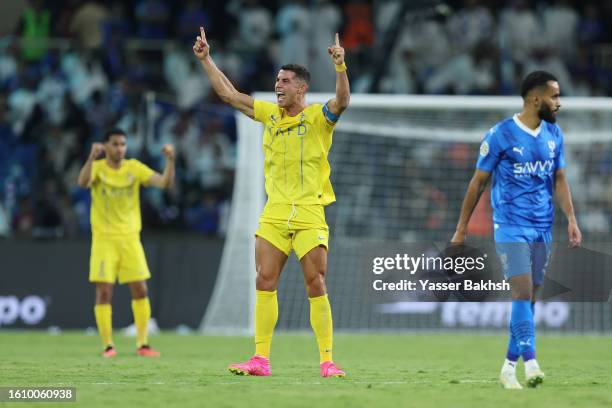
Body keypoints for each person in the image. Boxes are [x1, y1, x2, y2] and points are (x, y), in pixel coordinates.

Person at [193, 27, 350, 377]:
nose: (278, 85)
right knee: (264, 279)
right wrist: (206, 60)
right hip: (276, 212)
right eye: (277, 80)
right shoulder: (269, 115)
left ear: (302, 88)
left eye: (285, 81)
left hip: (310, 211)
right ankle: (260, 359)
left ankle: (327, 360)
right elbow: (231, 95)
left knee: (317, 283)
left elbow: (342, 102)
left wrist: (340, 67)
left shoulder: (319, 119)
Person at [451, 71, 581, 389]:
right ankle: (532, 364)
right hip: (510, 225)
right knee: (521, 292)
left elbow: (560, 180)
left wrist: (572, 219)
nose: (559, 103)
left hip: (542, 226)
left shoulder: (554, 135)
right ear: (536, 99)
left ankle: (509, 367)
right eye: (555, 96)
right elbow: (478, 182)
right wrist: (461, 230)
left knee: (530, 298)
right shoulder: (500, 135)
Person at [77, 128, 175, 358]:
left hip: (130, 238)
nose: (120, 148)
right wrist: (91, 157)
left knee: (141, 289)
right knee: (104, 292)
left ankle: (143, 344)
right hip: (104, 240)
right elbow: (82, 183)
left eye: (123, 144)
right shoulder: (98, 169)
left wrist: (170, 160)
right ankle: (108, 346)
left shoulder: (134, 168)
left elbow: (164, 183)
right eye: (115, 144)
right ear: (106, 146)